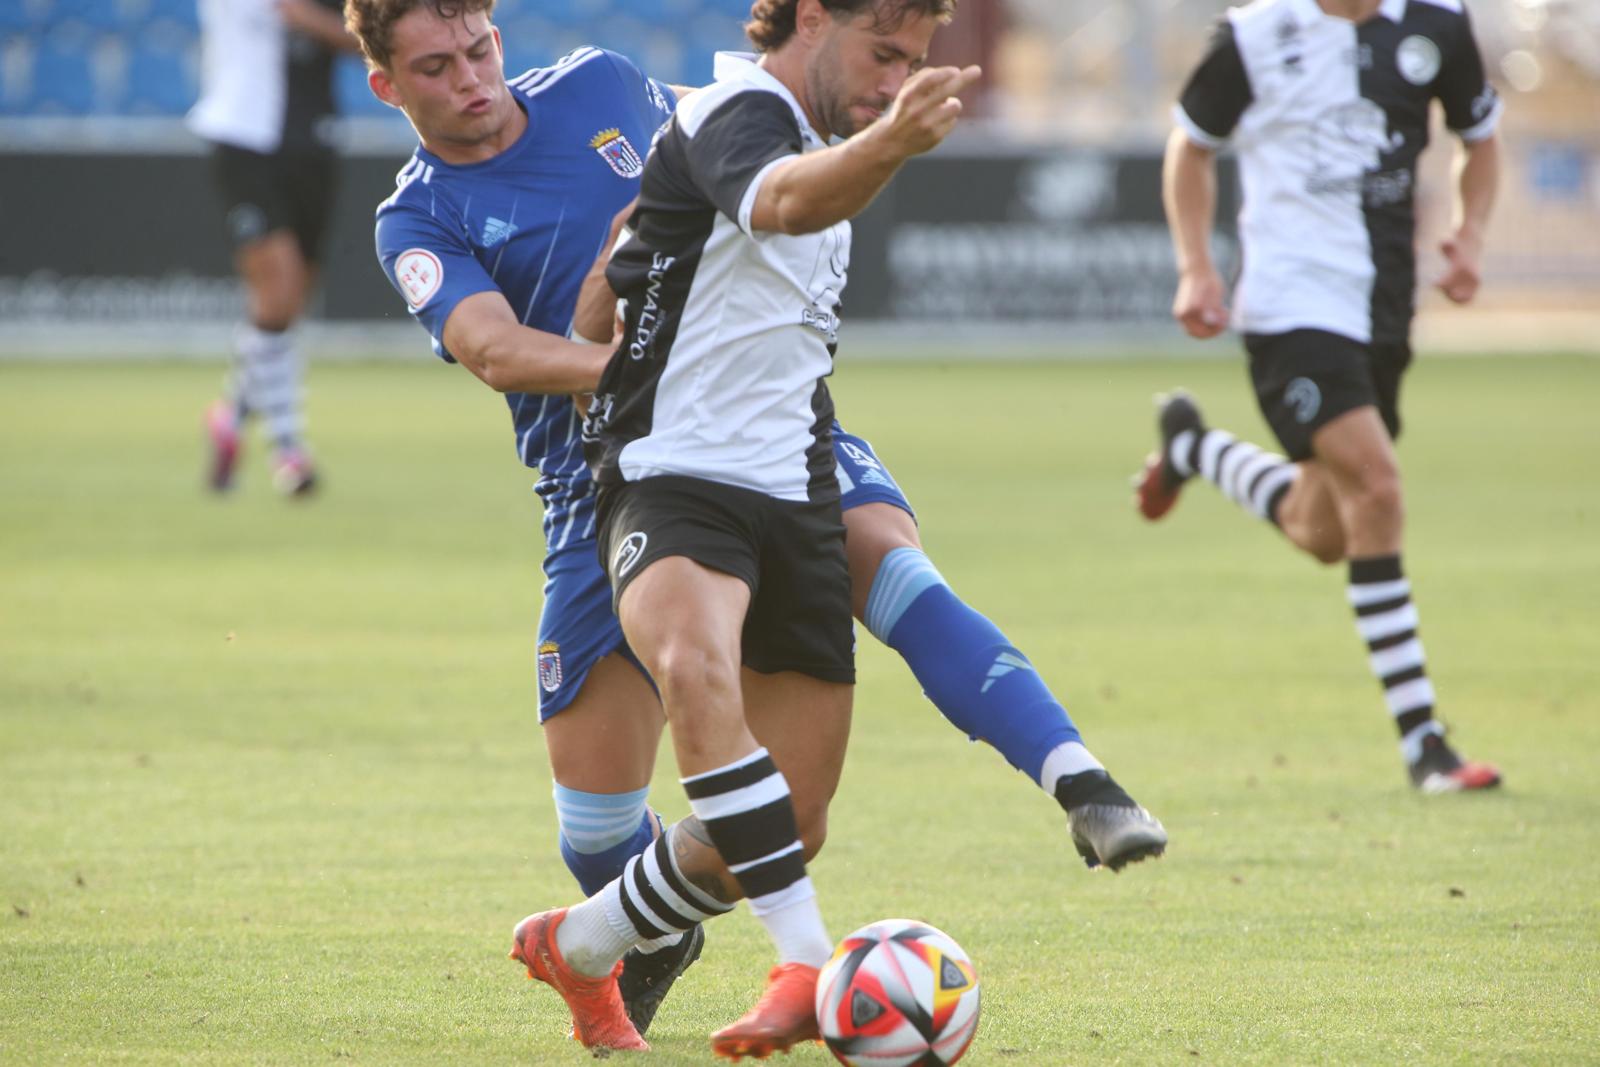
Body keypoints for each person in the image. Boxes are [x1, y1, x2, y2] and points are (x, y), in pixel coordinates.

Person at [348, 0, 1165, 1049]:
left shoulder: (601, 84)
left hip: (772, 424)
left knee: (895, 571)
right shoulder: (415, 217)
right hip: (603, 479)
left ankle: (1083, 782)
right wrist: (649, 367)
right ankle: (627, 932)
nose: (472, 79)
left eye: (480, 49)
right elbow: (499, 350)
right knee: (597, 830)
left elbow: (730, 152)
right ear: (386, 85)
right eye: (436, 67)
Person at [1141, 0, 1503, 793]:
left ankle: (1193, 447)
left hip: (1383, 309)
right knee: (1377, 485)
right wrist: (1197, 266)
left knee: (1326, 528)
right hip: (1289, 306)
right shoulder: (1254, 34)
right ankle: (1425, 745)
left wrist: (1471, 233)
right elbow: (1191, 148)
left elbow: (1481, 140)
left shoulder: (1440, 26)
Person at [190, 0, 359, 497]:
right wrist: (363, 34)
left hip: (314, 143)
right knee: (277, 294)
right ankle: (289, 450)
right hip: (247, 140)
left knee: (291, 302)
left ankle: (230, 415)